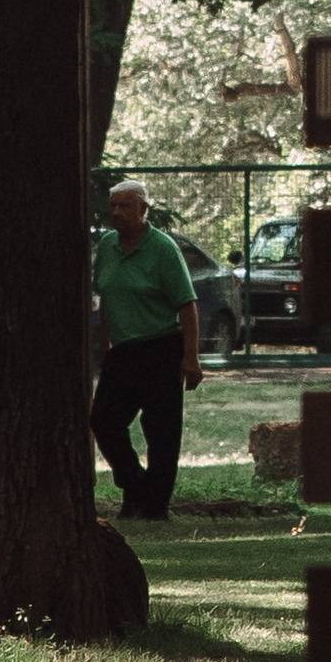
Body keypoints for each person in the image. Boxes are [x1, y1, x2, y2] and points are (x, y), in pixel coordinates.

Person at [92, 178, 202, 525]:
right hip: (123, 351)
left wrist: (191, 356)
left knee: (161, 430)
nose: (116, 213)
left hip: (161, 347)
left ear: (143, 209)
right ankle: (135, 486)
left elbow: (187, 304)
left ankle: (155, 506)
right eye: (113, 206)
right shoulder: (107, 247)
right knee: (104, 421)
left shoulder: (162, 249)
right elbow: (107, 298)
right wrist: (104, 344)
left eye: (125, 206)